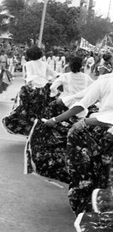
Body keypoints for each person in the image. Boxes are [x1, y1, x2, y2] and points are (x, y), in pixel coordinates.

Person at [43, 74, 113, 214]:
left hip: (103, 125)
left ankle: (88, 194)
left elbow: (81, 102)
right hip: (104, 124)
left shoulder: (105, 81)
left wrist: (56, 119)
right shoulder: (95, 79)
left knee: (87, 162)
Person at [24, 56, 94, 183]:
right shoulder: (86, 77)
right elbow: (92, 90)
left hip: (65, 106)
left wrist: (62, 92)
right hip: (82, 110)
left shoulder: (65, 76)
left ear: (69, 65)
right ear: (82, 66)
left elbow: (52, 88)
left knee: (49, 127)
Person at [2, 46, 56, 136]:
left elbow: (28, 77)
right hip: (44, 89)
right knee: (43, 110)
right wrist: (48, 80)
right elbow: (53, 74)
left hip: (32, 88)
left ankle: (28, 128)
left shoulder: (28, 64)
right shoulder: (44, 64)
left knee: (25, 108)